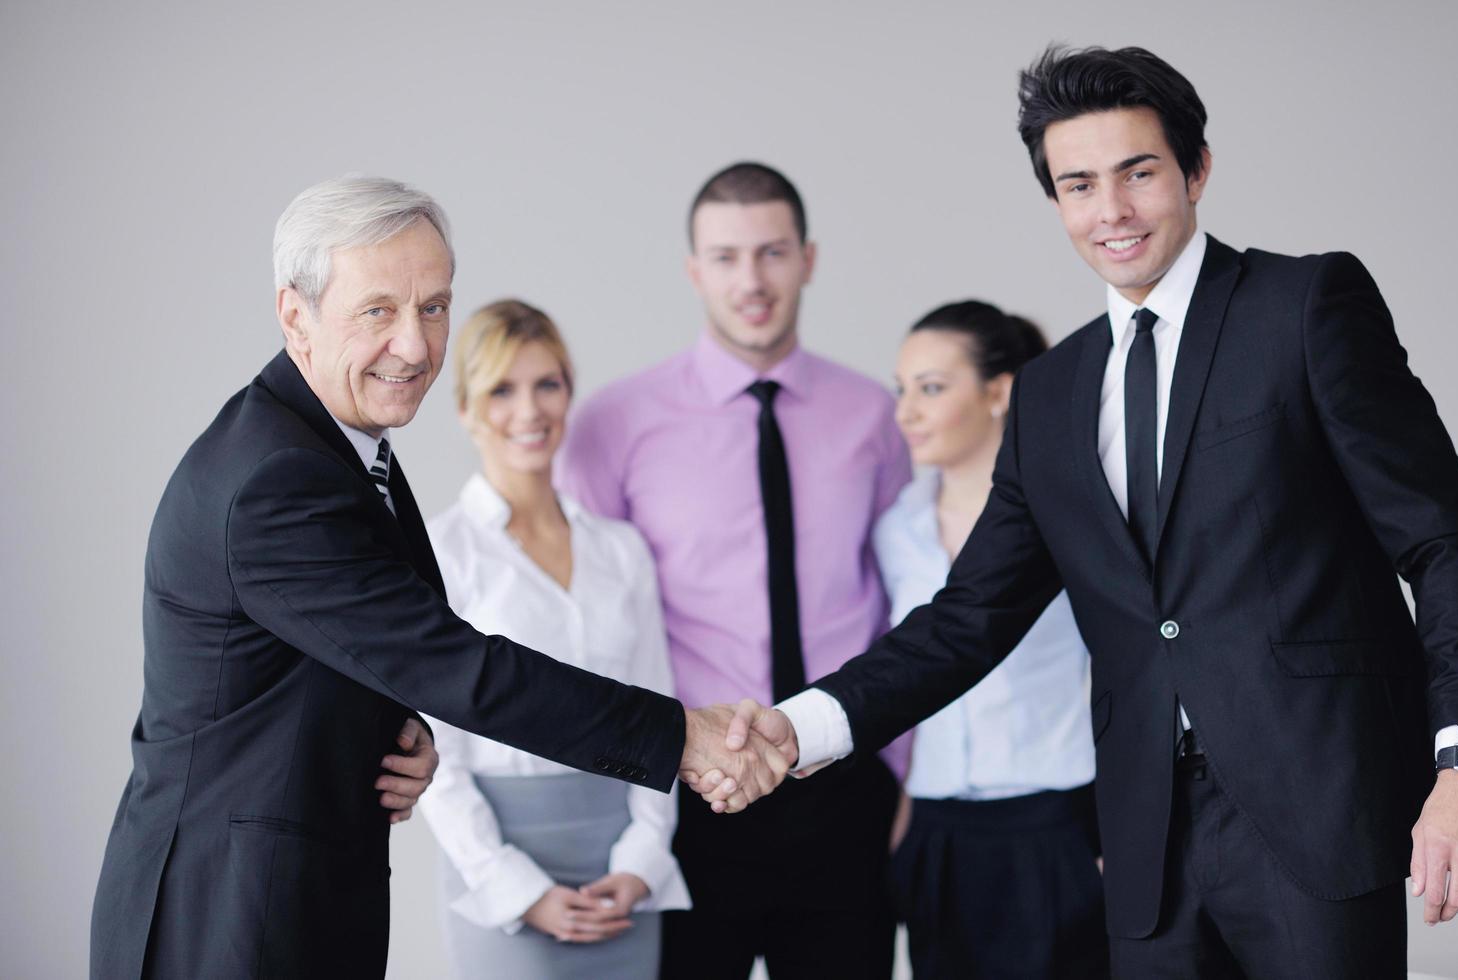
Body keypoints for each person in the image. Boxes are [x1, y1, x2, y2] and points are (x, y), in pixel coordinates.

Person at [717, 47, 1458, 977]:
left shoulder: (1302, 308)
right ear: (1054, 200)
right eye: (1078, 184)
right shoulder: (1050, 395)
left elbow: (1443, 541)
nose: (1111, 212)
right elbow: (968, 615)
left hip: (1315, 813)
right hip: (1141, 838)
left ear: (1195, 168)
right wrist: (810, 723)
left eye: (1137, 172)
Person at [88, 175, 787, 980]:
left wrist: (390, 734)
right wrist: (680, 735)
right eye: (378, 309)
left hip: (282, 893)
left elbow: (341, 648)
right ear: (295, 314)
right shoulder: (279, 477)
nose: (416, 347)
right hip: (227, 916)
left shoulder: (335, 445)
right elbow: (454, 664)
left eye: (433, 306)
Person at [558, 162, 913, 979]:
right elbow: (591, 618)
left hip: (842, 786)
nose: (750, 280)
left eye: (771, 252)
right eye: (725, 257)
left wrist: (902, 776)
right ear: (694, 271)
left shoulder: (873, 416)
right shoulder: (614, 424)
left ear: (808, 259)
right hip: (689, 789)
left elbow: (909, 600)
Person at [419, 299, 689, 979]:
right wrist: (517, 887)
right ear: (465, 408)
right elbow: (435, 753)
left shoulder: (621, 550)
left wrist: (641, 861)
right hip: (499, 863)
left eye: (548, 384)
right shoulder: (439, 552)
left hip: (620, 863)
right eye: (502, 389)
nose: (529, 410)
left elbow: (657, 712)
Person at [880, 300, 1106, 978]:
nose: (906, 412)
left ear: (999, 391)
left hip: (1056, 823)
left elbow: (1132, 668)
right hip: (937, 828)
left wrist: (1115, 831)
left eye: (931, 388)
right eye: (901, 390)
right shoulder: (897, 529)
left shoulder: (1070, 516)